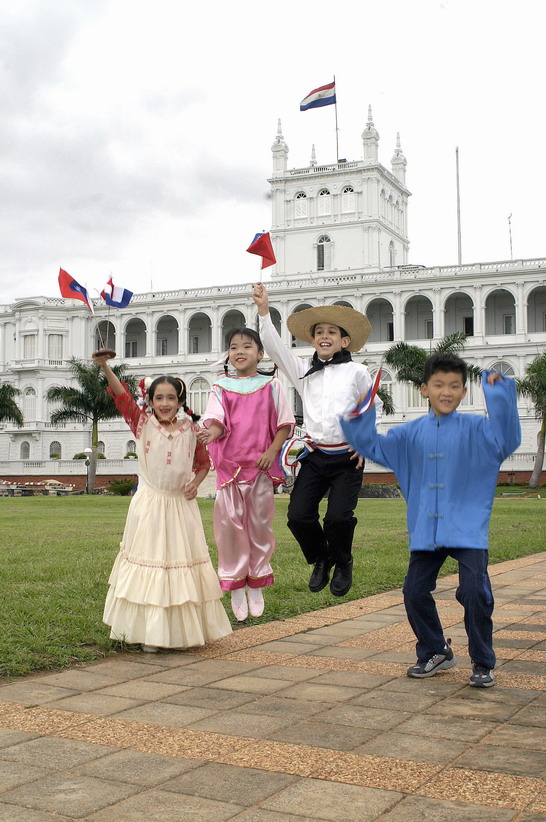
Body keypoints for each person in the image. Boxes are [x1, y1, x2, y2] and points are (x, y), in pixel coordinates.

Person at [341, 353, 521, 687]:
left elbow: (507, 439)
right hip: (427, 528)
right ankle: (435, 650)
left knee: (474, 592)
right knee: (414, 590)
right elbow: (371, 446)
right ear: (425, 389)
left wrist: (499, 395)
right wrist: (358, 414)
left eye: (454, 386)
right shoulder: (408, 434)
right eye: (439, 385)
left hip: (467, 528)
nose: (447, 391)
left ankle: (483, 661)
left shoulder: (480, 430)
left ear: (464, 391)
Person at [92, 350, 232, 652]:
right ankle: (147, 633)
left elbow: (203, 464)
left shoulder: (192, 430)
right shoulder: (141, 423)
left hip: (181, 505)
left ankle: (180, 632)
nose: (165, 404)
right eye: (159, 398)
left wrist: (195, 484)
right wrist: (105, 366)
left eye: (171, 398)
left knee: (177, 563)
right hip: (150, 504)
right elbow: (121, 394)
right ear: (150, 402)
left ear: (181, 401)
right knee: (151, 561)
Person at [253, 282, 381, 597]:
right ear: (312, 339)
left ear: (344, 340)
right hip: (314, 455)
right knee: (298, 516)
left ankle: (343, 560)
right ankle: (321, 558)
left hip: (346, 459)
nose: (324, 336)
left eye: (332, 332)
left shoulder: (357, 372)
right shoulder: (303, 371)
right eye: (319, 332)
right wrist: (264, 312)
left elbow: (370, 408)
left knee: (338, 517)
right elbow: (275, 348)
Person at [197, 328, 294, 621]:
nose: (239, 351)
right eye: (234, 346)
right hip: (230, 468)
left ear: (260, 354)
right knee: (229, 528)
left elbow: (284, 425)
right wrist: (208, 434)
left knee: (259, 526)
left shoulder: (272, 385)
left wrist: (271, 452)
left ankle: (257, 581)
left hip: (260, 468)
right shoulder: (220, 386)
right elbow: (216, 422)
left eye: (247, 346)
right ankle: (235, 584)